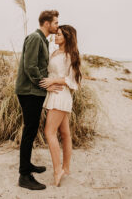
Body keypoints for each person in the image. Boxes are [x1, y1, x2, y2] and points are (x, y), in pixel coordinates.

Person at [15, 10, 63, 190]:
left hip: (33, 91)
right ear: (46, 23)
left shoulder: (42, 40)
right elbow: (30, 66)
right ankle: (24, 176)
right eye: (56, 23)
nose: (58, 26)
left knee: (31, 129)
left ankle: (27, 166)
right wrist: (45, 85)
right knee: (29, 131)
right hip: (30, 92)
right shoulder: (35, 38)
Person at [39, 25, 82, 187]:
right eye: (56, 34)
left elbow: (73, 81)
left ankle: (58, 170)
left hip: (61, 95)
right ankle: (66, 167)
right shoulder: (55, 52)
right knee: (64, 133)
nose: (55, 37)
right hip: (54, 94)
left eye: (59, 35)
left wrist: (53, 81)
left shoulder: (70, 55)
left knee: (49, 132)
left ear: (67, 37)